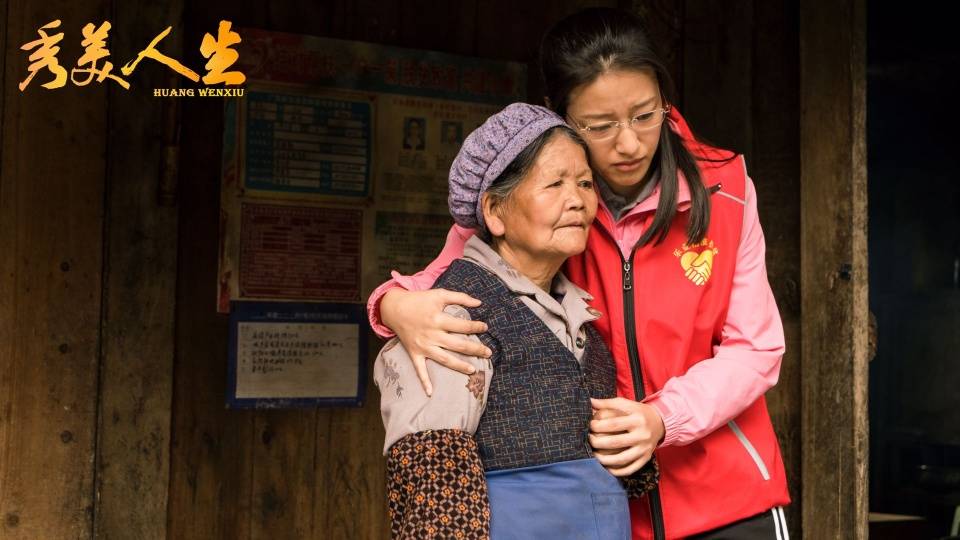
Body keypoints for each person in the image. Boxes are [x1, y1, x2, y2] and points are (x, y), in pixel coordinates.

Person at [368, 8, 790, 540]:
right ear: (561, 118)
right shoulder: (542, 211)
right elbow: (439, 280)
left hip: (725, 495)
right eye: (601, 126)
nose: (630, 143)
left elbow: (756, 347)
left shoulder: (726, 189)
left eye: (644, 114)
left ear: (665, 99)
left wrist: (663, 417)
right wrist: (391, 305)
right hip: (605, 506)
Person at [374, 103, 647, 539]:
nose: (577, 199)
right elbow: (432, 484)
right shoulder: (452, 320)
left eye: (584, 183)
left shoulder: (578, 316)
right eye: (554, 183)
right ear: (495, 212)